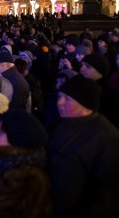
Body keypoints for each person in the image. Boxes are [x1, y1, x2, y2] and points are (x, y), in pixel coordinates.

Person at [47, 76, 119, 218]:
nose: (59, 103)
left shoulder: (107, 139)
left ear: (86, 104)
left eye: (67, 99)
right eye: (59, 96)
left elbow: (105, 198)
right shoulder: (55, 125)